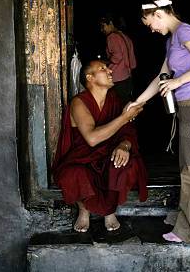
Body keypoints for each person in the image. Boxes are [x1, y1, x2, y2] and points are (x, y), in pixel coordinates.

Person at [127, 0, 190, 243]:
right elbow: (161, 78)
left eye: (150, 23)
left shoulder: (185, 32)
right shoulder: (172, 40)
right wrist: (138, 101)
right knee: (188, 169)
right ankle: (184, 221)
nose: (151, 29)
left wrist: (179, 81)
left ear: (159, 14)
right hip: (188, 108)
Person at [52, 60, 148, 233]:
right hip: (83, 158)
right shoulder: (79, 103)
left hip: (108, 153)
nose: (110, 70)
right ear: (90, 77)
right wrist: (124, 117)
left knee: (123, 164)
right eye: (103, 69)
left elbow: (127, 131)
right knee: (73, 174)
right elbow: (92, 139)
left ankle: (109, 211)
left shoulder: (114, 99)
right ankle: (84, 210)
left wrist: (125, 145)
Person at [99, 14, 137, 104]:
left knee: (117, 105)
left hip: (117, 78)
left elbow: (117, 57)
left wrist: (104, 62)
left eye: (103, 26)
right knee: (127, 102)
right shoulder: (124, 36)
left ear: (111, 23)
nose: (102, 30)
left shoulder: (112, 37)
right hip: (127, 75)